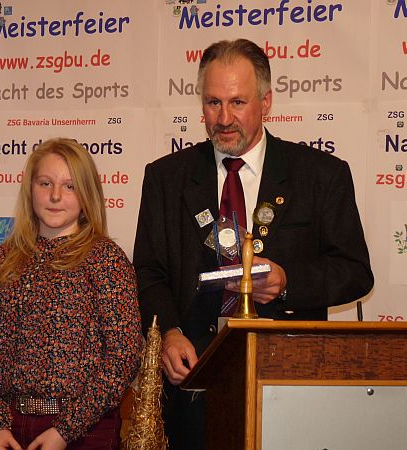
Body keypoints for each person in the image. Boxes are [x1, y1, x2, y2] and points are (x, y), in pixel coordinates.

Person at [133, 39, 373, 449]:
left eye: (238, 102)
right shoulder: (166, 178)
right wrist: (169, 332)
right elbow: (148, 271)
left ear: (266, 102)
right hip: (193, 389)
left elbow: (354, 272)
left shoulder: (320, 175)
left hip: (291, 388)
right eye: (213, 103)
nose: (224, 118)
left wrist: (288, 282)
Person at [0, 138, 142, 450]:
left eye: (69, 186)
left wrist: (66, 429)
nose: (55, 195)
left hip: (86, 432)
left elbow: (123, 357)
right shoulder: (1, 261)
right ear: (30, 188)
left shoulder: (106, 260)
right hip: (8, 429)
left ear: (87, 194)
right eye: (45, 183)